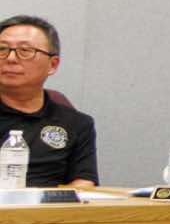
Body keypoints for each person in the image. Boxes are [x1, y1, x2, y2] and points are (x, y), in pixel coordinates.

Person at [0, 15, 97, 187]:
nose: (11, 58)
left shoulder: (77, 124)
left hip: (48, 202)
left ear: (53, 64)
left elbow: (83, 183)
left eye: (25, 51)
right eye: (2, 49)